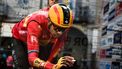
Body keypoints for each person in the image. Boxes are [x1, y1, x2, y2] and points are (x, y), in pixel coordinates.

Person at [11, 3, 75, 69]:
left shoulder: (62, 24)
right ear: (49, 21)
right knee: (22, 66)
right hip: (20, 39)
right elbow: (32, 59)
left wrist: (54, 65)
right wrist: (53, 66)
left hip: (41, 39)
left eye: (63, 29)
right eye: (57, 28)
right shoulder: (35, 24)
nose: (60, 33)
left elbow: (54, 52)